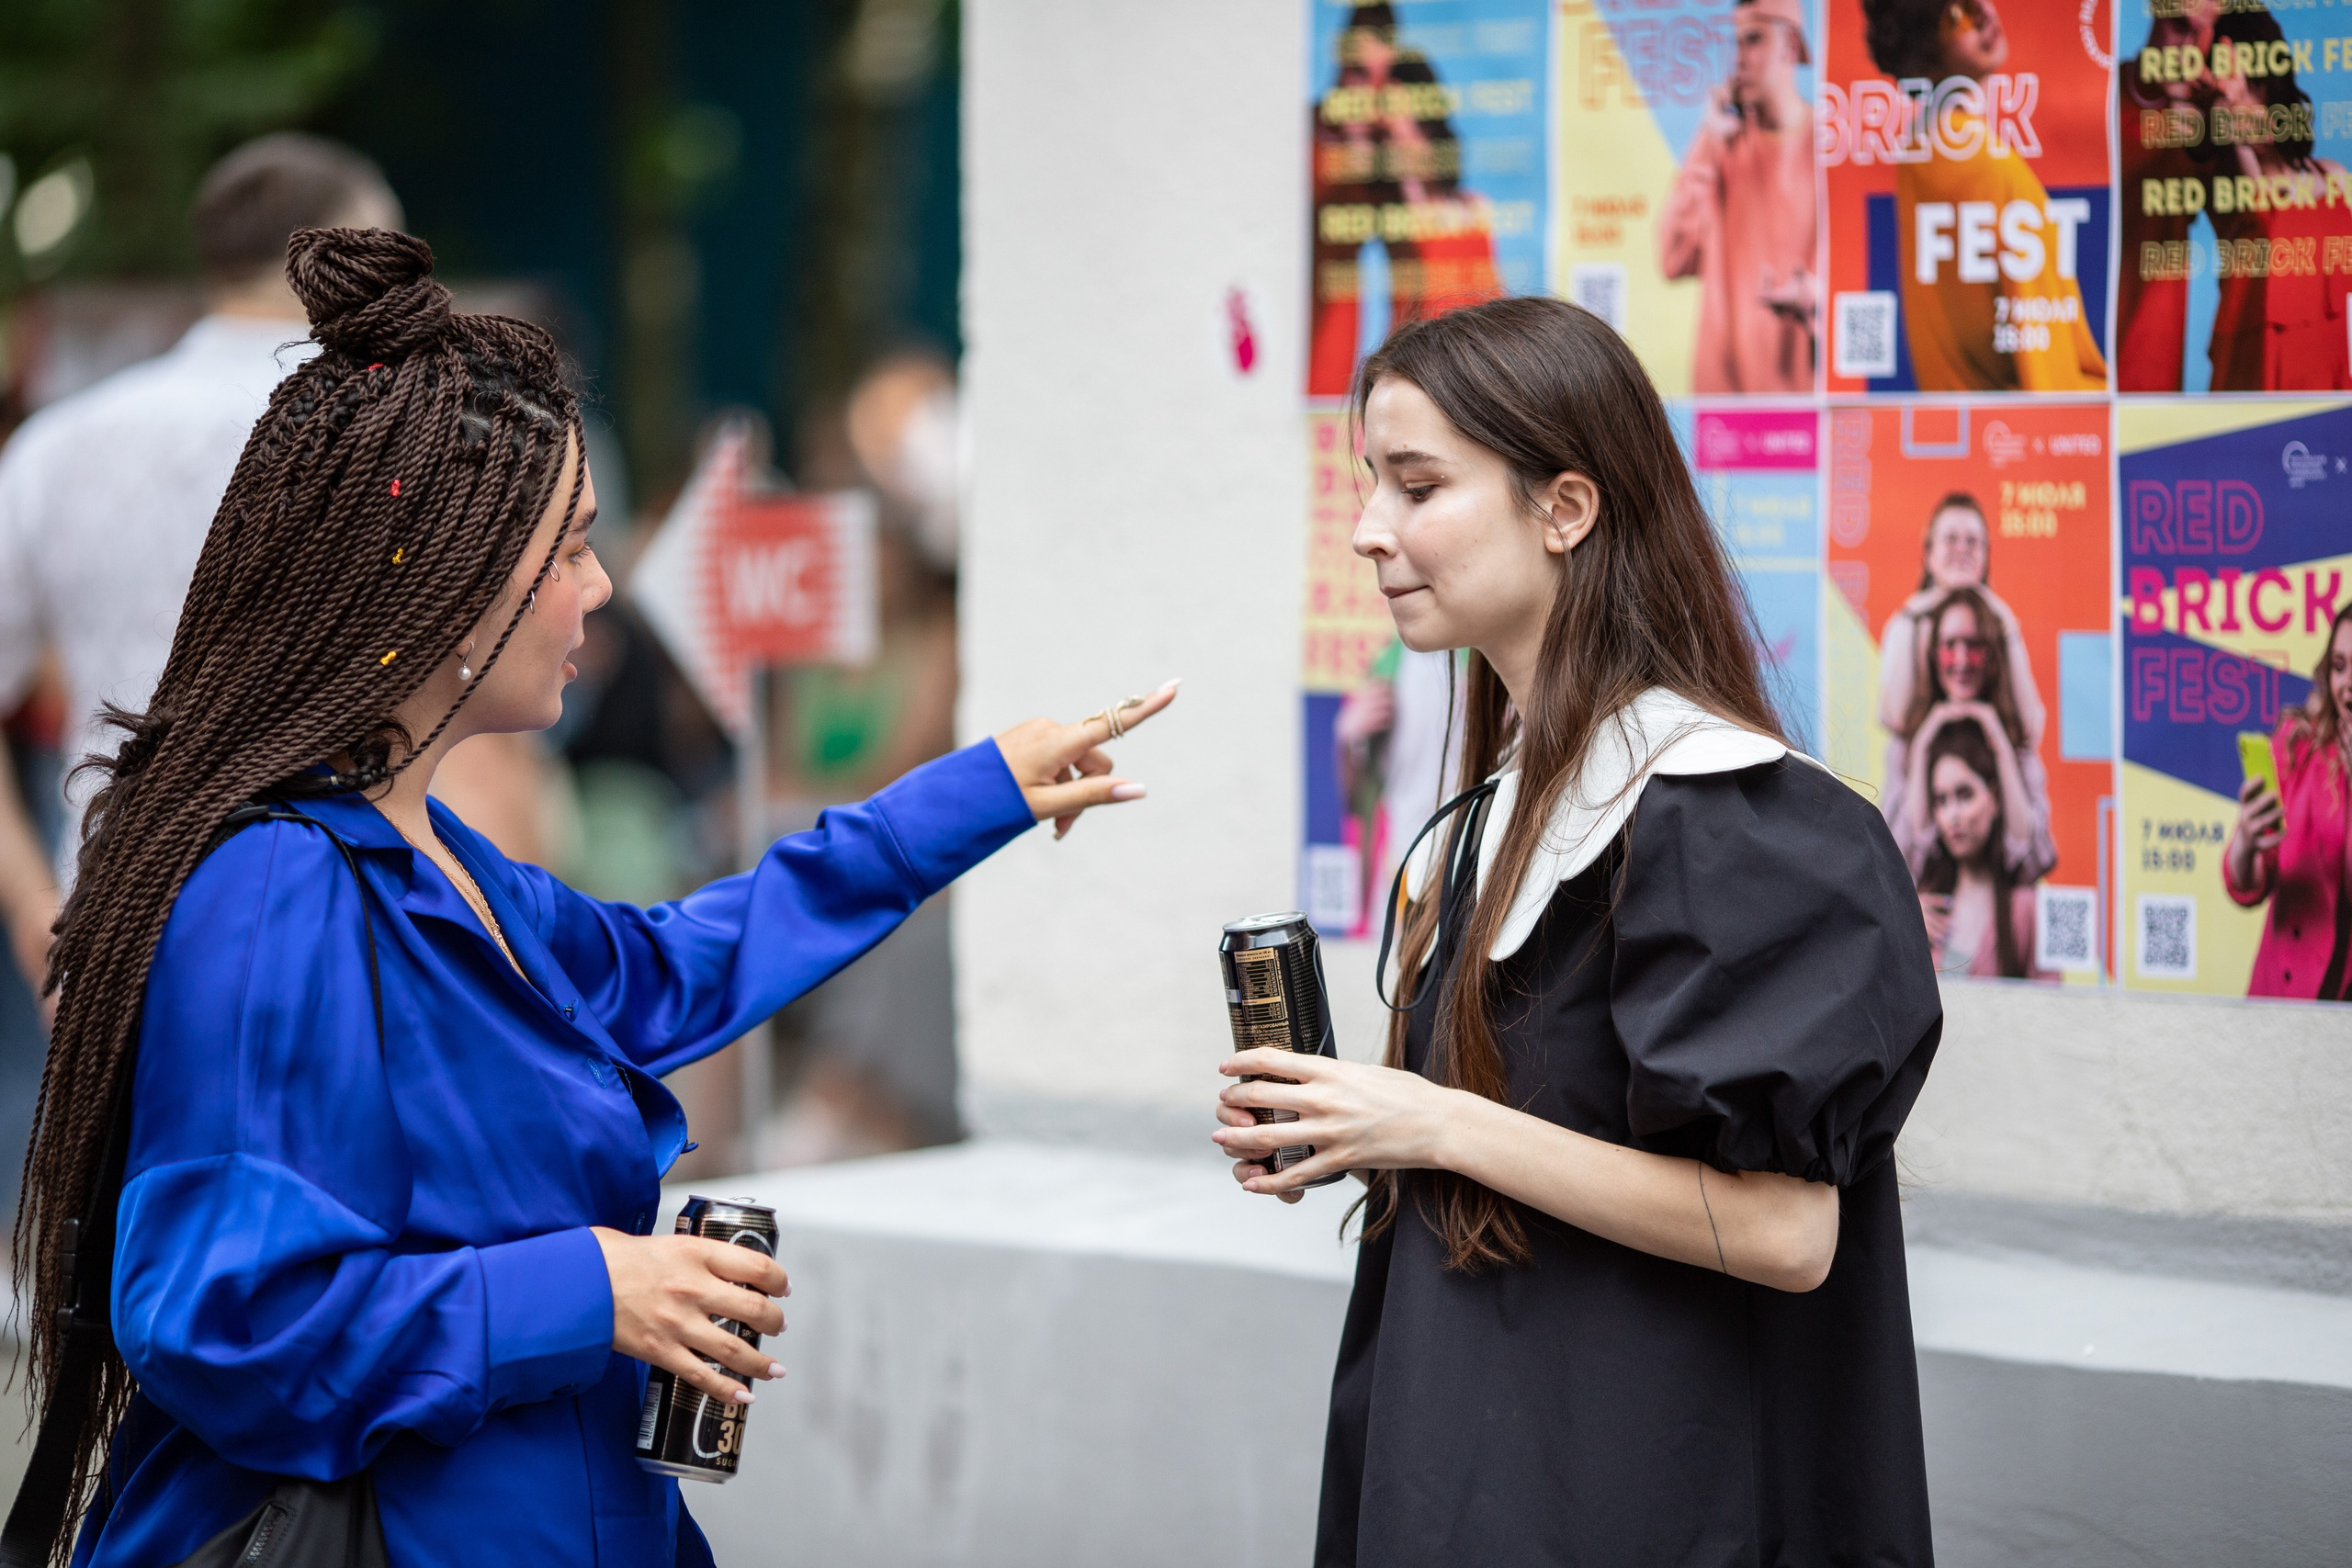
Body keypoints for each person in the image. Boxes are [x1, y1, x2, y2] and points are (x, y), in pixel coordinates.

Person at [11, 229, 1176, 1567]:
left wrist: (970, 794)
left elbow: (672, 966)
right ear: (443, 591)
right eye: (570, 547)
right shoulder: (276, 884)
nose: (603, 587)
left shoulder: (433, 851)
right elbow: (222, 1319)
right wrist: (602, 1285)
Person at [1215, 296, 1940, 1566]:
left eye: (1418, 484)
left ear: (1566, 507)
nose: (1372, 531)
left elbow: (1786, 1231)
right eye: (1368, 484)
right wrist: (1362, 1128)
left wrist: (1428, 1117)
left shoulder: (1738, 821)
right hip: (1463, 1470)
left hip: (1643, 1495)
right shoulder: (1484, 820)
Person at [0, 134, 402, 997]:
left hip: (111, 931)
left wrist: (36, 912)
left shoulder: (59, 443)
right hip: (353, 928)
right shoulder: (392, 435)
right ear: (345, 251)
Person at [1860, 0, 2106, 390]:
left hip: (1965, 421)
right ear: (1920, 48)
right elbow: (2049, 383)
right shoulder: (1986, 166)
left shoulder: (1920, 147)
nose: (1985, 14)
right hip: (2025, 433)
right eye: (1955, 14)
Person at [1655, 0, 1817, 392]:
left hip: (1803, 404)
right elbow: (1673, 258)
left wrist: (1815, 299)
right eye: (1737, 43)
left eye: (1755, 40)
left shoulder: (1829, 146)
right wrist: (1707, 139)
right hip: (1724, 409)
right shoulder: (1721, 146)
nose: (1739, 59)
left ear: (1790, 46)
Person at [2198, 9, 2352, 391]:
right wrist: (2226, 104)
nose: (2248, 102)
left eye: (2256, 85)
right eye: (2232, 85)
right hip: (2258, 388)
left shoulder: (2333, 175)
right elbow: (2262, 207)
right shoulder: (2229, 185)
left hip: (2333, 385)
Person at [2223, 601, 2352, 999]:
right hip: (2286, 1007)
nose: (2347, 682)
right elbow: (2245, 883)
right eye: (2339, 665)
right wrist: (2245, 842)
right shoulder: (2298, 746)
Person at [1894, 586, 2054, 883]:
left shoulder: (2018, 743)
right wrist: (1922, 746)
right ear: (1932, 655)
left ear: (1992, 656)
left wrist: (1999, 740)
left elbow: (2032, 858)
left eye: (1974, 645)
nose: (1962, 660)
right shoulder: (1907, 745)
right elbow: (1904, 862)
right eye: (1949, 645)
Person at [2116, 0, 2221, 390]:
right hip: (2085, 333)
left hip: (2152, 354)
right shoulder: (2104, 90)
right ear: (2155, 12)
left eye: (2200, 32)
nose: (2187, 45)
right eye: (2180, 26)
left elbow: (2245, 220)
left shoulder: (2207, 111)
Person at [1917, 717, 2050, 979]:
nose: (1952, 815)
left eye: (1965, 795)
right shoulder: (1923, 902)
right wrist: (1905, 923)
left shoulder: (2026, 908)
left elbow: (2052, 1006)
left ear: (1995, 798)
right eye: (1941, 800)